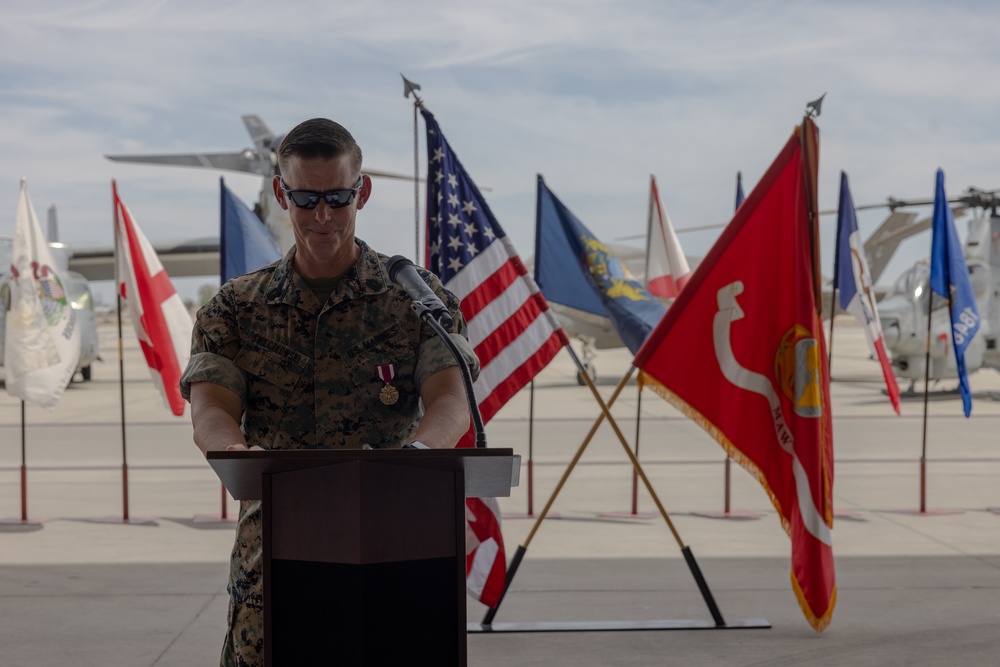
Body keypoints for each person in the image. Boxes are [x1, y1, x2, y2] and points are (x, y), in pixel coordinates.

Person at [179, 117, 478, 667]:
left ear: (361, 192)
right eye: (305, 199)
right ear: (280, 194)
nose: (322, 216)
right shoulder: (236, 307)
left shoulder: (415, 297)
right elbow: (211, 407)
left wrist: (417, 457)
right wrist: (236, 453)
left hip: (394, 541)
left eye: (338, 199)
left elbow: (450, 397)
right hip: (273, 552)